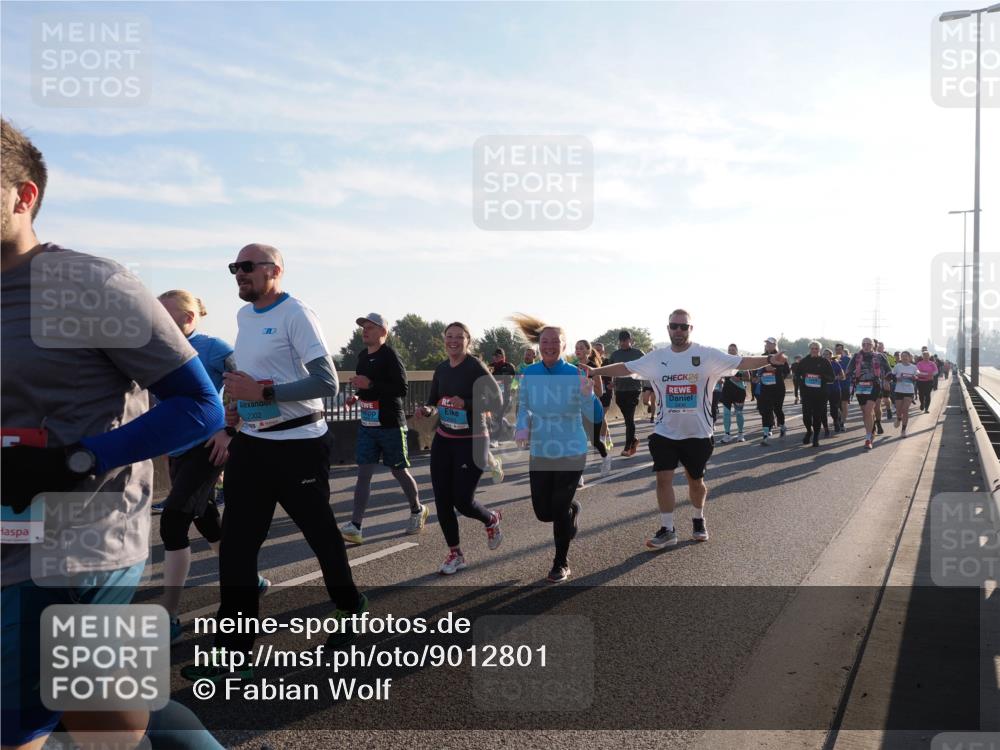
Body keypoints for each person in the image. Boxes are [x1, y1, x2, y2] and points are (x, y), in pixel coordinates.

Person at [1, 119, 225, 749]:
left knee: (19, 729)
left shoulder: (89, 284)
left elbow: (200, 407)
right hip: (9, 539)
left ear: (23, 197)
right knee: (109, 716)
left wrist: (76, 460)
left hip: (71, 548)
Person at [182, 243, 367, 682]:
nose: (239, 273)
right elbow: (247, 381)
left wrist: (264, 394)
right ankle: (233, 652)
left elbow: (326, 382)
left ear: (275, 270)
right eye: (234, 267)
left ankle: (349, 604)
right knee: (237, 548)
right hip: (253, 444)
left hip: (300, 445)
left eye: (247, 266)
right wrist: (234, 414)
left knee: (320, 535)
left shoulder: (296, 314)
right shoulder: (244, 317)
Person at [585, 309, 787, 549]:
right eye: (674, 326)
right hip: (665, 431)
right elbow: (626, 368)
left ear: (691, 329)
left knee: (695, 481)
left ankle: (698, 519)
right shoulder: (656, 357)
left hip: (698, 433)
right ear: (668, 328)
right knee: (663, 479)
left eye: (684, 326)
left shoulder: (706, 355)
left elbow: (741, 362)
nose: (678, 330)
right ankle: (667, 529)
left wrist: (769, 359)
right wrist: (595, 371)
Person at [155, 290, 271, 644]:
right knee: (206, 519)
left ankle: (168, 614)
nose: (156, 320)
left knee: (173, 522)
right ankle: (249, 580)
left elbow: (244, 386)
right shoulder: (157, 348)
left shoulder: (213, 348)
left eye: (164, 314)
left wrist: (229, 431)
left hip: (208, 446)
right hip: (176, 448)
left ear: (188, 318)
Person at [515, 317, 604, 582]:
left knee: (558, 508)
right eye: (545, 341)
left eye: (556, 341)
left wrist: (588, 395)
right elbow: (524, 405)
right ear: (538, 345)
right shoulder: (530, 373)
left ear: (564, 345)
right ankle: (572, 509)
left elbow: (596, 416)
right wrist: (522, 426)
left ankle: (560, 562)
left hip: (571, 448)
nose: (550, 346)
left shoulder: (576, 374)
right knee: (544, 512)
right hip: (541, 449)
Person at [417, 322, 504, 575]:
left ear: (468, 341)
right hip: (444, 439)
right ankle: (455, 554)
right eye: (449, 336)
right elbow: (433, 400)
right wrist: (427, 409)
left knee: (463, 501)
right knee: (442, 500)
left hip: (473, 440)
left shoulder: (475, 367)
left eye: (459, 337)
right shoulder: (442, 368)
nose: (453, 341)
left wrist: (465, 403)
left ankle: (491, 519)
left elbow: (497, 401)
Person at [339, 313, 427, 546]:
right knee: (363, 473)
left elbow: (401, 388)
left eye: (370, 327)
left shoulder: (390, 356)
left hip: (390, 425)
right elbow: (365, 386)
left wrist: (370, 384)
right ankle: (356, 526)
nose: (365, 331)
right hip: (368, 425)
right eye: (363, 327)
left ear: (383, 332)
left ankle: (417, 509)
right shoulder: (362, 356)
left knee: (398, 471)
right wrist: (357, 395)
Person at [574, 339, 612, 478]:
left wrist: (588, 386)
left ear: (588, 351)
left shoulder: (593, 368)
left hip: (593, 407)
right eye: (576, 348)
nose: (578, 350)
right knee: (578, 440)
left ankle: (606, 458)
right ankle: (578, 475)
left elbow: (600, 392)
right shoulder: (573, 368)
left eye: (581, 348)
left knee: (595, 441)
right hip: (579, 409)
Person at [846, 337, 892, 450]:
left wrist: (887, 381)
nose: (866, 346)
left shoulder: (880, 356)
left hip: (874, 385)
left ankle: (868, 438)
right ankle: (872, 429)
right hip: (860, 386)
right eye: (864, 344)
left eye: (868, 344)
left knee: (868, 410)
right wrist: (850, 377)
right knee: (865, 412)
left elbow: (888, 370)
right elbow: (848, 370)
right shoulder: (856, 356)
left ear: (873, 346)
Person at [608, 330, 646, 457]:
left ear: (631, 340)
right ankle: (633, 439)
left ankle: (628, 447)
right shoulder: (615, 355)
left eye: (625, 340)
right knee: (627, 419)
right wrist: (612, 382)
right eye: (621, 340)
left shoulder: (638, 353)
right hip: (619, 390)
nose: (623, 342)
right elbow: (611, 371)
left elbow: (647, 367)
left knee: (629, 419)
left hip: (634, 389)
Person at [753, 336, 790, 445]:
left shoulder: (781, 357)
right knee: (766, 411)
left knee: (777, 409)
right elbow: (756, 371)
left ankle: (782, 426)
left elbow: (787, 371)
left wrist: (777, 372)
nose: (768, 345)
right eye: (767, 343)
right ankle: (766, 435)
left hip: (778, 388)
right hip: (765, 388)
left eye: (770, 343)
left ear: (774, 345)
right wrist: (762, 371)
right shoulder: (762, 357)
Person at [796, 342, 835, 447]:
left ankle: (816, 437)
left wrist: (821, 377)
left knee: (817, 416)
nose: (814, 350)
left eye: (816, 348)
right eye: (812, 348)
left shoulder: (824, 362)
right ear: (809, 349)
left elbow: (832, 377)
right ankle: (809, 431)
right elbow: (797, 375)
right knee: (806, 416)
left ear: (819, 350)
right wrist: (802, 382)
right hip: (806, 393)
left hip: (820, 394)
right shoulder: (804, 361)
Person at [487, 347, 517, 448]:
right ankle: (509, 428)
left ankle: (495, 439)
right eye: (494, 356)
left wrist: (512, 388)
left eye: (498, 356)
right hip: (492, 396)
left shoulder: (509, 367)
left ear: (503, 356)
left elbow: (514, 380)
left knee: (498, 416)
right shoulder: (490, 367)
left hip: (505, 397)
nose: (495, 358)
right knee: (493, 417)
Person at [719, 344, 749, 443]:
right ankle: (727, 434)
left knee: (739, 413)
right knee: (726, 413)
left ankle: (740, 434)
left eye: (733, 350)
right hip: (727, 391)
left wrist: (739, 378)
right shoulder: (725, 362)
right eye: (729, 350)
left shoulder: (741, 362)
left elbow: (748, 377)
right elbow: (720, 374)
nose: (731, 351)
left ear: (736, 351)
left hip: (739, 391)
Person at [592, 341, 614, 452]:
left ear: (603, 351)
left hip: (606, 393)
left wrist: (613, 383)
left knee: (601, 416)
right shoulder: (591, 362)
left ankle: (602, 440)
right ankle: (607, 439)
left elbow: (614, 374)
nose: (597, 351)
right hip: (596, 392)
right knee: (601, 417)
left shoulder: (607, 362)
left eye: (599, 350)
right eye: (595, 350)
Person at [892, 351, 918, 436]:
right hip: (899, 390)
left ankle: (903, 430)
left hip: (909, 391)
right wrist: (897, 379)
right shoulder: (897, 366)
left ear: (909, 357)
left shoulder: (913, 367)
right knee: (898, 410)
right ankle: (898, 418)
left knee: (905, 410)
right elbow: (892, 375)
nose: (904, 358)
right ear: (901, 358)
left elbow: (917, 376)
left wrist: (914, 377)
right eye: (902, 356)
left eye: (906, 356)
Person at [822, 348, 846, 434]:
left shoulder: (835, 364)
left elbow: (843, 376)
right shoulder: (820, 364)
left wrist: (834, 378)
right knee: (822, 409)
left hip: (835, 389)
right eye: (824, 354)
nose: (825, 356)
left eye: (827, 354)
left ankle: (836, 422)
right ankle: (826, 428)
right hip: (823, 390)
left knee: (834, 408)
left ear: (831, 355)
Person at [835, 344, 852, 427]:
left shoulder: (848, 359)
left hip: (845, 385)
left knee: (844, 404)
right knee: (836, 406)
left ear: (842, 350)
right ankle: (838, 419)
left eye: (839, 349)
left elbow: (852, 371)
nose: (838, 351)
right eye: (836, 349)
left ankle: (842, 423)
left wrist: (844, 375)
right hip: (835, 387)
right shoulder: (832, 359)